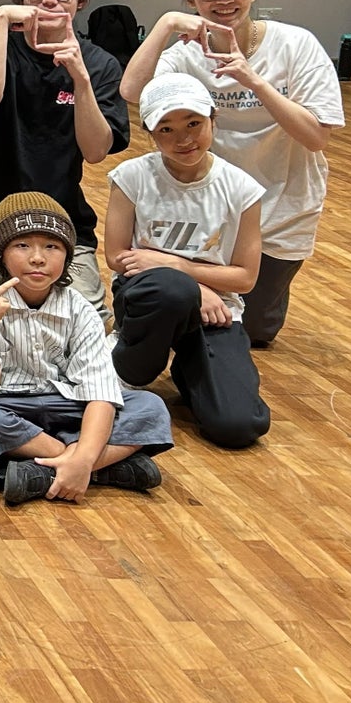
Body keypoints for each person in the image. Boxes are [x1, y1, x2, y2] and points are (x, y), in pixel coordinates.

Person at [121, 0, 344, 347]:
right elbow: (132, 91)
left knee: (255, 331)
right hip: (213, 206)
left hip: (283, 202)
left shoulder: (297, 45)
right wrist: (166, 24)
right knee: (198, 315)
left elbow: (316, 137)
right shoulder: (187, 53)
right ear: (192, 0)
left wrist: (252, 79)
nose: (224, 0)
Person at [0, 193, 171, 506]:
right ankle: (97, 468)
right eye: (22, 245)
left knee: (149, 406)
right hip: (5, 405)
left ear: (67, 256)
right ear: (0, 255)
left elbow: (100, 393)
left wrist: (82, 459)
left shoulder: (80, 310)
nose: (38, 258)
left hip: (67, 404)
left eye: (51, 246)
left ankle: (44, 472)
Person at [0, 0, 130, 318]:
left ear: (80, 1)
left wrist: (81, 80)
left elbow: (96, 151)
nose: (49, 0)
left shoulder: (100, 64)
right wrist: (0, 19)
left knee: (90, 319)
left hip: (59, 217)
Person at [106, 74, 269, 450]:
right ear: (150, 134)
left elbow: (245, 278)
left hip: (216, 309)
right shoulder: (131, 176)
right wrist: (188, 286)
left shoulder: (242, 189)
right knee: (171, 290)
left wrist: (186, 276)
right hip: (149, 296)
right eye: (166, 129)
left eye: (193, 123)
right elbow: (116, 256)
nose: (183, 139)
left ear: (213, 119)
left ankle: (189, 367)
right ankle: (131, 366)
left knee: (239, 425)